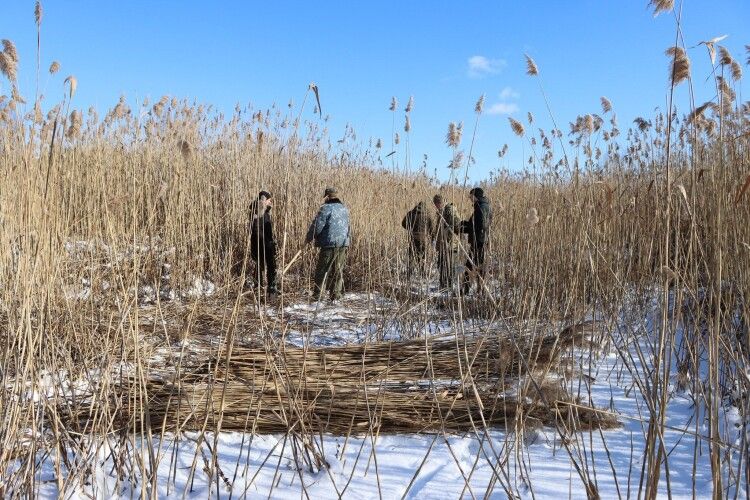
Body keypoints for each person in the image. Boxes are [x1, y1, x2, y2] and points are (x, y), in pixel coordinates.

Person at [305, 187, 351, 301]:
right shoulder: (344, 208)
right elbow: (348, 227)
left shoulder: (325, 208)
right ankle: (336, 295)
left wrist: (308, 238)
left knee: (323, 269)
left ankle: (318, 295)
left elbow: (317, 226)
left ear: (327, 196)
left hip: (329, 244)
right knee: (338, 270)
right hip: (343, 243)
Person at [460, 187, 492, 294]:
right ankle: (479, 289)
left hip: (478, 242)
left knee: (470, 266)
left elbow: (478, 226)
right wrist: (463, 225)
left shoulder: (481, 208)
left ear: (476, 196)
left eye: (471, 196)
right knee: (479, 266)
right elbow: (475, 224)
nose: (470, 198)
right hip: (482, 241)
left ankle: (466, 290)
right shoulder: (485, 206)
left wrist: (464, 228)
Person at [249, 190, 279, 294]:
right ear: (263, 200)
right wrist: (267, 242)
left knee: (269, 265)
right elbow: (256, 230)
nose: (271, 202)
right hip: (260, 244)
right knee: (263, 265)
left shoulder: (264, 211)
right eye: (269, 200)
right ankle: (262, 287)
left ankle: (271, 287)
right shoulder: (257, 211)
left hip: (266, 243)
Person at [432, 194, 461, 291]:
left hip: (450, 245)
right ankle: (443, 285)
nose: (436, 206)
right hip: (443, 244)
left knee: (450, 266)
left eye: (437, 204)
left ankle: (448, 286)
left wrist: (447, 234)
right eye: (435, 204)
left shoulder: (450, 210)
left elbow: (456, 225)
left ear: (441, 202)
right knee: (441, 264)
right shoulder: (442, 211)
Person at [401, 201, 434, 279]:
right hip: (423, 239)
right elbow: (431, 229)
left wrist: (410, 228)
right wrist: (433, 239)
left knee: (411, 257)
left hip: (412, 238)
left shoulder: (410, 213)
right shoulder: (427, 215)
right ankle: (422, 274)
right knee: (422, 258)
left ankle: (409, 274)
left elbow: (403, 224)